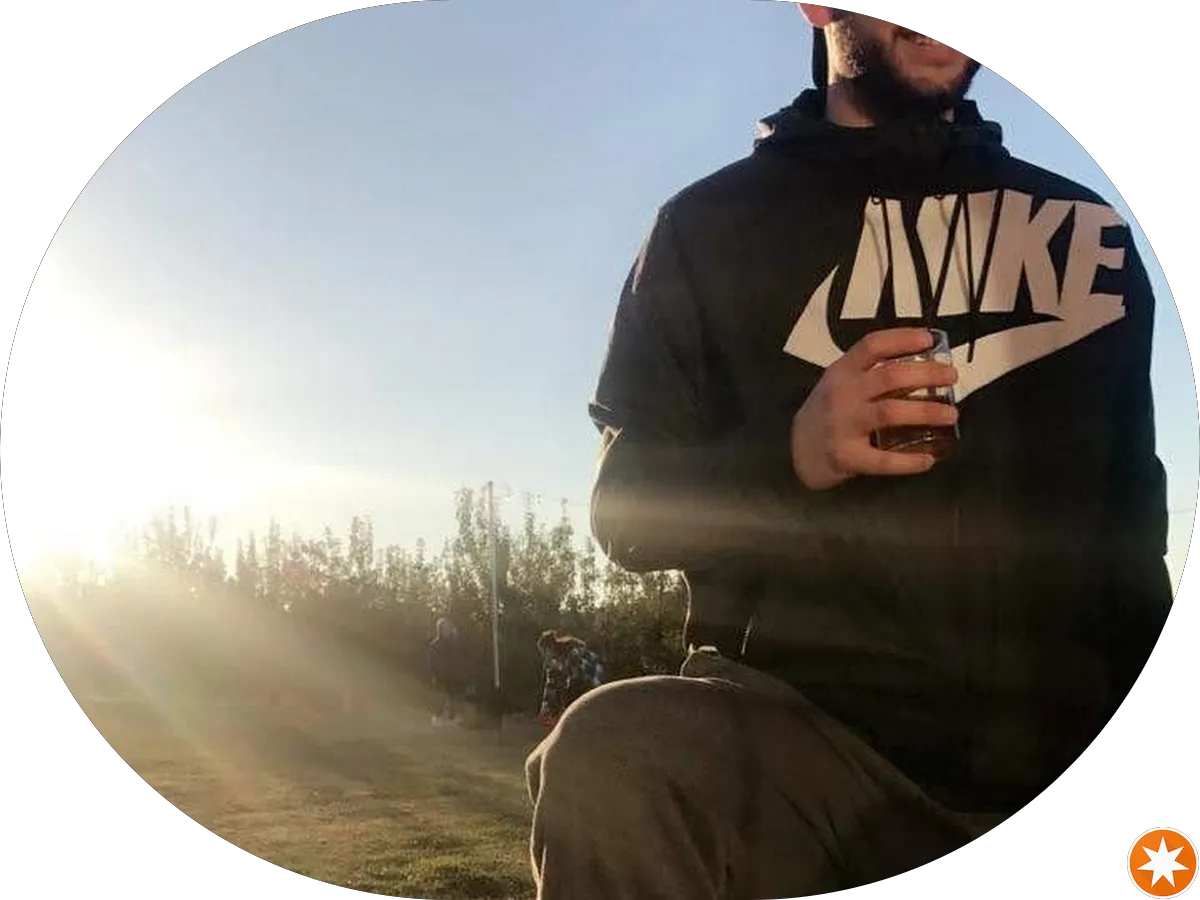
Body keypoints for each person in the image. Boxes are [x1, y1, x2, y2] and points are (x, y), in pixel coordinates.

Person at [524, 8, 1174, 899]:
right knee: (615, 753)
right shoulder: (707, 228)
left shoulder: (1089, 232)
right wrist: (794, 455)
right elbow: (625, 513)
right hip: (808, 761)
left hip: (1048, 756)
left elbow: (1132, 538)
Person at [535, 630, 607, 727]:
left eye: (544, 651)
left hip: (594, 672)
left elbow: (577, 677)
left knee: (571, 693)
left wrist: (561, 706)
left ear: (550, 648)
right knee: (563, 692)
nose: (543, 655)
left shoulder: (571, 652)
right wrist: (544, 709)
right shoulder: (552, 662)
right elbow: (551, 684)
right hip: (581, 676)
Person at [428, 616, 464, 726]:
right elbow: (433, 662)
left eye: (448, 628)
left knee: (452, 696)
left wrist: (455, 636)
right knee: (442, 697)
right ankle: (438, 717)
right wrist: (435, 674)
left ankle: (451, 717)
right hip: (441, 674)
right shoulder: (435, 644)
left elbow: (455, 655)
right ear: (441, 630)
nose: (447, 630)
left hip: (450, 674)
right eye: (445, 628)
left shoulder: (451, 642)